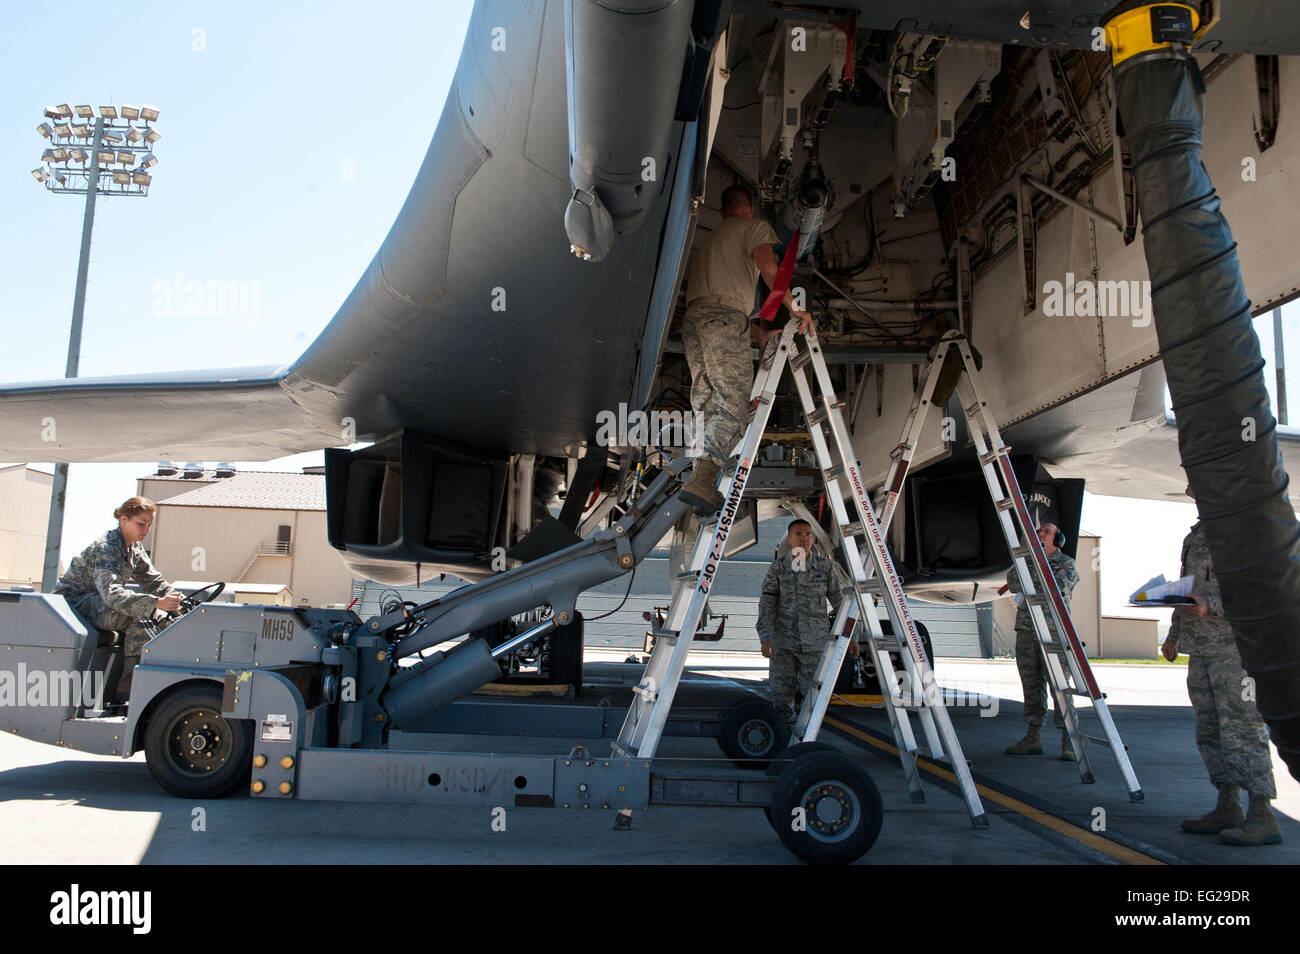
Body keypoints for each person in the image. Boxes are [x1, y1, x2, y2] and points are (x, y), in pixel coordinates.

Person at [678, 183, 815, 513]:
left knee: (706, 401)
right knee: (736, 404)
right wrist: (795, 309)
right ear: (749, 209)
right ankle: (705, 474)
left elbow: (713, 302)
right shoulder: (754, 227)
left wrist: (759, 334)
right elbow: (771, 271)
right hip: (723, 320)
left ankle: (701, 478)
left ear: (723, 212)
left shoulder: (709, 238)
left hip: (695, 322)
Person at [1162, 487, 1280, 846]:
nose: (1188, 483)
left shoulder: (1243, 530)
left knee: (1242, 731)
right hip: (1201, 650)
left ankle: (1263, 814)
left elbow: (1264, 591)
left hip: (1236, 652)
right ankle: (1227, 805)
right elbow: (1189, 589)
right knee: (1210, 731)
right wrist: (1174, 634)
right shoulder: (1196, 533)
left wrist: (1210, 605)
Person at [54, 496, 182, 702]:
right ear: (123, 520)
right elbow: (113, 595)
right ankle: (126, 694)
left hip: (97, 601)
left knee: (164, 619)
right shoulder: (107, 548)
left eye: (149, 525)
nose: (146, 530)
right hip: (74, 605)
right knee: (142, 620)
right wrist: (156, 604)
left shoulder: (134, 548)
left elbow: (154, 581)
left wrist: (181, 604)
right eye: (141, 524)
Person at [757, 519, 853, 727]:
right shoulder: (778, 568)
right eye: (798, 534)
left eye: (808, 534)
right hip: (784, 645)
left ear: (813, 538)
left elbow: (839, 602)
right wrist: (766, 638)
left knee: (814, 695)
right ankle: (785, 737)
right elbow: (767, 605)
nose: (804, 538)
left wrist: (853, 635)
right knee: (781, 695)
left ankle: (808, 736)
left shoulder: (824, 568)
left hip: (815, 644)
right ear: (789, 539)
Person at [1005, 522, 1079, 759]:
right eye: (1038, 532)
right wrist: (1026, 556)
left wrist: (1032, 570)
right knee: (1031, 682)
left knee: (1060, 686)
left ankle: (1069, 740)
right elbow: (1014, 583)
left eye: (1046, 531)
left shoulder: (1066, 564)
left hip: (1053, 632)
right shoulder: (1025, 562)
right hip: (1027, 629)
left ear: (1058, 539)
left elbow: (1055, 588)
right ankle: (1033, 735)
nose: (1040, 534)